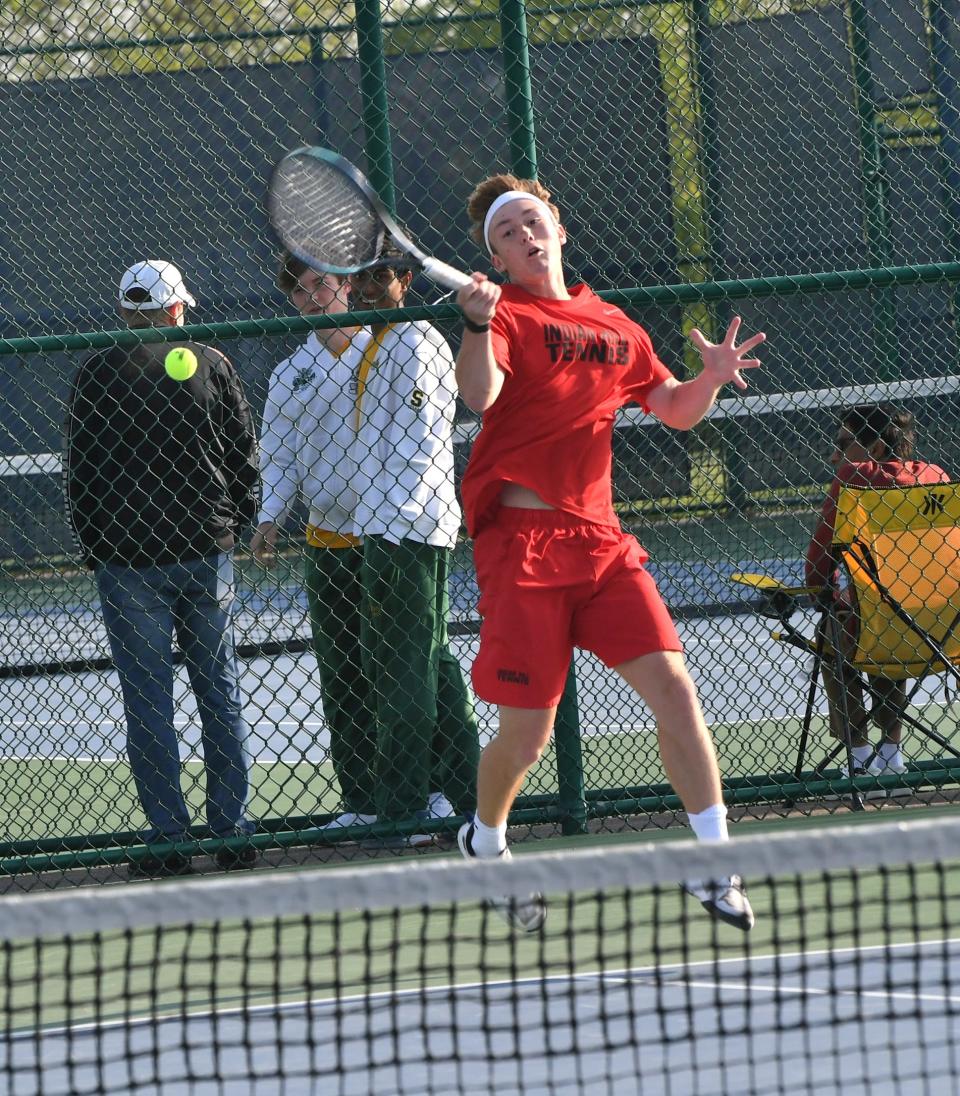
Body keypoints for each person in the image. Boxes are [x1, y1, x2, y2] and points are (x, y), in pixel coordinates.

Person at [453, 176, 766, 932]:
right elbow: (479, 396)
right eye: (506, 235)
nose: (524, 238)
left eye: (532, 223)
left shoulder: (616, 325)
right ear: (495, 257)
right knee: (524, 738)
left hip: (601, 546)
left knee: (676, 690)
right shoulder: (505, 316)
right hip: (521, 549)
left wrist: (711, 380)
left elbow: (675, 412)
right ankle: (486, 844)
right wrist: (473, 325)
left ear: (558, 228)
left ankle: (713, 864)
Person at [64, 259, 260, 877]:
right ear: (178, 310)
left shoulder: (95, 372)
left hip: (127, 566)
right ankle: (232, 834)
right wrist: (237, 528)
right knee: (219, 692)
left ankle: (169, 842)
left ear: (125, 312)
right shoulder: (212, 364)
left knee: (148, 703)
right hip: (206, 552)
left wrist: (99, 548)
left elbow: (81, 475)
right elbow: (243, 457)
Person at [348, 242, 481, 846]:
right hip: (387, 528)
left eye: (382, 276)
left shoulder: (416, 340)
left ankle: (402, 812)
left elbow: (415, 447)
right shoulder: (378, 340)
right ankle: (477, 801)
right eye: (361, 278)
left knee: (403, 673)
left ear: (406, 278)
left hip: (406, 531)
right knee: (433, 664)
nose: (367, 287)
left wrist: (390, 521)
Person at [252, 254, 383, 833]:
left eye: (319, 286)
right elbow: (277, 454)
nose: (310, 298)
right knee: (344, 674)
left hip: (389, 538)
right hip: (325, 544)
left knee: (398, 671)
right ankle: (361, 802)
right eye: (299, 292)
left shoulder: (389, 354)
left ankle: (427, 792)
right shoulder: (289, 374)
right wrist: (269, 518)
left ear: (347, 286)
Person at [805, 404, 950, 776]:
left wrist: (822, 593)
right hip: (943, 631)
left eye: (844, 443)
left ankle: (859, 756)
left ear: (877, 449)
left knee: (838, 630)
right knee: (889, 615)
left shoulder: (853, 477)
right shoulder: (937, 476)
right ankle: (891, 754)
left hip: (874, 628)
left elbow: (818, 562)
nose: (835, 454)